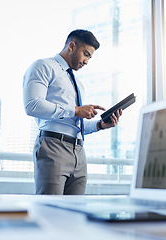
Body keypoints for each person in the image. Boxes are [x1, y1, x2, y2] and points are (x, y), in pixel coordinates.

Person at [23, 29, 122, 195]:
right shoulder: (43, 66)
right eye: (85, 54)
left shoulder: (77, 83)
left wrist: (100, 125)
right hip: (53, 146)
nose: (86, 62)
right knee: (51, 210)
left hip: (79, 151)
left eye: (90, 57)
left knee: (75, 213)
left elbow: (74, 124)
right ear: (72, 46)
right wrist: (75, 110)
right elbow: (32, 105)